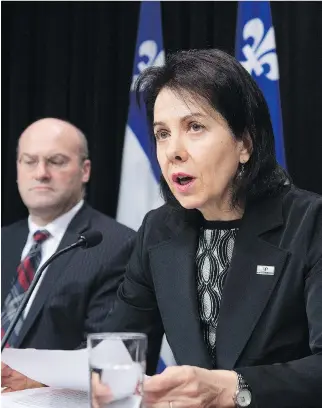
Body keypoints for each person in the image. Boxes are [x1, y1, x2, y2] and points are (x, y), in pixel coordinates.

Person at [98, 49, 322, 408]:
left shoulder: (309, 223)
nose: (173, 151)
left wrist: (233, 387)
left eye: (195, 127)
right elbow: (120, 348)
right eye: (162, 133)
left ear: (244, 144)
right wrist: (49, 376)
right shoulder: (159, 229)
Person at [1, 118, 136, 392]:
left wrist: (36, 378)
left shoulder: (117, 245)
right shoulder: (3, 239)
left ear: (85, 170)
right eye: (29, 161)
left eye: (56, 161)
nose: (41, 173)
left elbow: (106, 353)